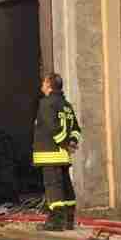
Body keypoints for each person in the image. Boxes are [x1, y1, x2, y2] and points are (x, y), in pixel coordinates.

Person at [32, 72, 82, 231]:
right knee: (66, 186)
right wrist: (72, 142)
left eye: (44, 82)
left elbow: (53, 127)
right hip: (63, 155)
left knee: (53, 186)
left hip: (51, 154)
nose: (42, 85)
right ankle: (69, 220)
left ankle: (56, 222)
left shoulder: (46, 103)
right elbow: (76, 129)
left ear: (49, 85)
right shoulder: (67, 105)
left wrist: (65, 143)